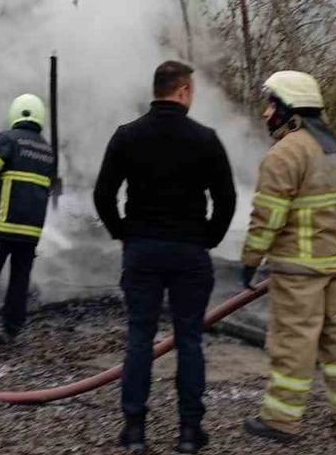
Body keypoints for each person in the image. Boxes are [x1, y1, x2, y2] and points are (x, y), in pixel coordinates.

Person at [94, 60, 237, 454]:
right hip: (189, 251)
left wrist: (123, 232)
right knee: (189, 340)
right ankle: (189, 433)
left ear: (157, 89)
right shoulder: (205, 138)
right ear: (184, 91)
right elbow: (226, 199)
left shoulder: (127, 136)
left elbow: (103, 195)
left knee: (139, 338)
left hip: (142, 250)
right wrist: (208, 238)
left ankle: (135, 431)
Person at [238, 71, 336, 443]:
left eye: (271, 104)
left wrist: (250, 260)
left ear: (289, 108)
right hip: (334, 265)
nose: (265, 113)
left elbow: (267, 216)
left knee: (293, 342)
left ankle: (281, 421)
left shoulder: (284, 154)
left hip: (297, 271)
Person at [0, 93, 57, 348]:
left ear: (15, 114)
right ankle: (10, 330)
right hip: (30, 230)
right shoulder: (47, 151)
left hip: (1, 224)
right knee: (19, 278)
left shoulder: (7, 139)